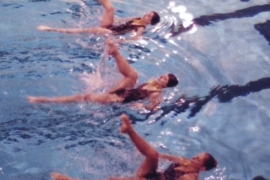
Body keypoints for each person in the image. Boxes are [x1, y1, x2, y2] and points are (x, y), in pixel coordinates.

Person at [51, 113, 218, 180]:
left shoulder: (191, 177)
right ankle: (129, 130)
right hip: (152, 175)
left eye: (198, 158)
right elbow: (161, 155)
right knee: (152, 154)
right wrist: (141, 154)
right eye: (197, 154)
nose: (194, 156)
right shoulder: (184, 161)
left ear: (202, 168)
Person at [27, 39, 178, 110]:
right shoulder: (151, 82)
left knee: (85, 97)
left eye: (164, 78)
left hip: (120, 99)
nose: (161, 77)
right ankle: (115, 53)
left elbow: (153, 108)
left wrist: (139, 106)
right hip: (124, 91)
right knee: (133, 76)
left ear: (166, 85)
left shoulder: (156, 93)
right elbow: (138, 88)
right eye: (163, 75)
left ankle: (44, 100)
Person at [37, 0, 160, 41]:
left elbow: (136, 37)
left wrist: (121, 40)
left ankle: (51, 29)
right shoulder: (137, 18)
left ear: (150, 22)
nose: (146, 15)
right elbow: (121, 20)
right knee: (110, 8)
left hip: (111, 33)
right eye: (148, 13)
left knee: (85, 30)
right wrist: (112, 19)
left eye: (149, 16)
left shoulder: (141, 27)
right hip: (111, 26)